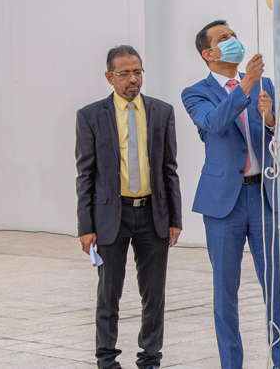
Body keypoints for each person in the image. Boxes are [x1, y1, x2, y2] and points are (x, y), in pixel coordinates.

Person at [181, 20, 280, 369]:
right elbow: (214, 123)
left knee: (276, 288)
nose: (233, 41)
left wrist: (272, 117)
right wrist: (244, 84)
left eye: (233, 35)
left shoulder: (265, 85)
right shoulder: (196, 92)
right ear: (208, 53)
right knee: (225, 294)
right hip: (223, 205)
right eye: (223, 39)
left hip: (263, 197)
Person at [75, 45, 183, 369]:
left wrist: (174, 218)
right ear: (110, 77)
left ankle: (150, 359)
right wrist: (86, 227)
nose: (132, 79)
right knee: (109, 294)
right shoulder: (90, 115)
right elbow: (85, 174)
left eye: (137, 72)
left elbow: (169, 168)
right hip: (112, 216)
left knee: (154, 295)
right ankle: (106, 360)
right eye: (124, 73)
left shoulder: (162, 112)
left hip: (153, 214)